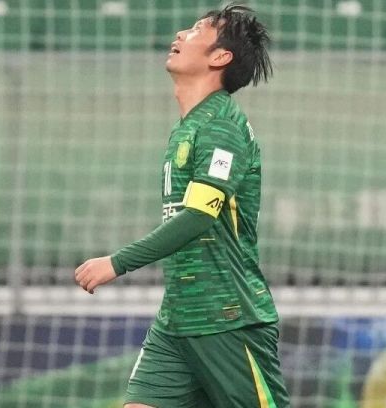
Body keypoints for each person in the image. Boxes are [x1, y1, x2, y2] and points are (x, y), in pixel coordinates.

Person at [74, 4, 289, 407]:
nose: (180, 34)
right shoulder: (189, 125)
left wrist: (117, 263)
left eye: (196, 30)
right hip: (177, 320)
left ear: (220, 57)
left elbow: (199, 215)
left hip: (227, 318)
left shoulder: (222, 126)